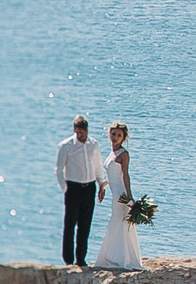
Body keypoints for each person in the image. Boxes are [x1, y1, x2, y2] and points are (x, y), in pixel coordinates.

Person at [55, 115, 104, 267]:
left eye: (85, 131)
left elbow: (97, 166)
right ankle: (68, 260)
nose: (83, 135)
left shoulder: (93, 144)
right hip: (73, 188)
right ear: (74, 130)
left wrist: (101, 184)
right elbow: (59, 170)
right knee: (70, 225)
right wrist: (65, 189)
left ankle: (81, 258)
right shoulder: (66, 145)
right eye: (80, 132)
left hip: (89, 187)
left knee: (85, 225)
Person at [95, 120, 143, 270]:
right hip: (114, 192)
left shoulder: (124, 154)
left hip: (120, 195)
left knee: (118, 222)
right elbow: (113, 176)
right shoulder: (112, 153)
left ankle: (120, 260)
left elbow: (125, 176)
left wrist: (130, 197)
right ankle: (116, 257)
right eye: (113, 134)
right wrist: (102, 186)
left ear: (123, 138)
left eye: (119, 135)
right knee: (118, 223)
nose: (115, 137)